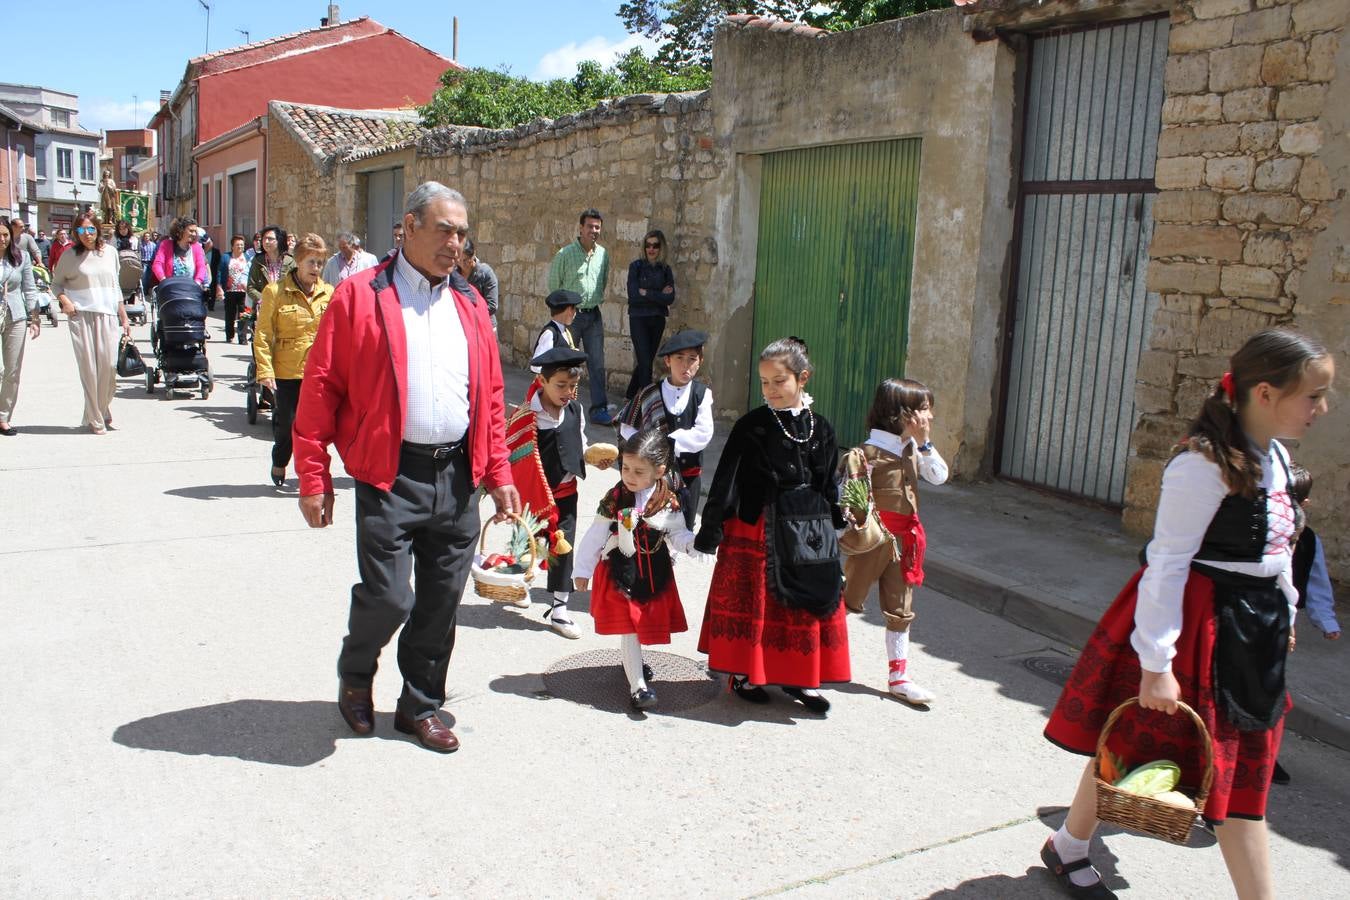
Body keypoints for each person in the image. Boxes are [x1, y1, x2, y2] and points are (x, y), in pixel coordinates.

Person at [1039, 329, 1334, 899]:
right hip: (1202, 627)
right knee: (1231, 784)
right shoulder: (1202, 465)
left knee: (1139, 744)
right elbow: (1167, 565)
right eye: (1313, 396)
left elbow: (1279, 556)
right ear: (1266, 393)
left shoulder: (1274, 455)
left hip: (1254, 628)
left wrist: (1288, 614)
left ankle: (1069, 844)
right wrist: (1156, 662)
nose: (1321, 409)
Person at [293, 181, 519, 754]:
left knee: (441, 602)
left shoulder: (469, 303)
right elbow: (320, 386)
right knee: (391, 597)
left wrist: (499, 473)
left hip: (457, 475)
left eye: (462, 232)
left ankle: (419, 706)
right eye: (444, 229)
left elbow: (490, 395)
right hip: (389, 473)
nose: (455, 242)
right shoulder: (360, 296)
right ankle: (356, 670)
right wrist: (313, 476)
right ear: (408, 228)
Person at [694, 336, 849, 714]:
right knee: (759, 604)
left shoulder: (822, 428)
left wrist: (836, 522)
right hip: (758, 526)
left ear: (802, 378)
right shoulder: (753, 426)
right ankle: (746, 673)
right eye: (765, 382)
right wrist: (711, 531)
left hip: (808, 531)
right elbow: (726, 479)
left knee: (804, 602)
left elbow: (828, 481)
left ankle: (802, 677)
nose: (771, 390)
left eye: (779, 381)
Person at [838, 378, 949, 706]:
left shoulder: (914, 449)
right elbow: (849, 501)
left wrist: (926, 444)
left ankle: (899, 676)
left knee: (901, 610)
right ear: (902, 415)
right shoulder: (866, 453)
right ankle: (810, 653)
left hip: (905, 542)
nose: (930, 417)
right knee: (847, 600)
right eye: (925, 410)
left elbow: (939, 476)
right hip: (872, 541)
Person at [574, 428, 701, 710]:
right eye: (626, 468)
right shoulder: (616, 496)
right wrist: (582, 570)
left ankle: (632, 664)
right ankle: (638, 687)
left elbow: (676, 535)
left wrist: (694, 545)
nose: (629, 476)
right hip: (620, 571)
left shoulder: (668, 499)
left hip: (654, 572)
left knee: (640, 626)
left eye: (638, 471)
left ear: (659, 470)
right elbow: (596, 533)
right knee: (630, 627)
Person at [515, 346, 611, 639]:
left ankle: (559, 609)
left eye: (572, 386)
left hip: (566, 493)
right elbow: (517, 455)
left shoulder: (576, 410)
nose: (567, 392)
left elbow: (578, 444)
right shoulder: (528, 413)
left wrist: (592, 457)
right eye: (560, 385)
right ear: (542, 382)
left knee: (563, 548)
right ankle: (522, 582)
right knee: (529, 542)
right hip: (536, 495)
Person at [1270, 462, 1340, 787]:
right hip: (1258, 620)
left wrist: (1325, 620)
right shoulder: (1266, 530)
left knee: (1271, 692)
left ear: (1304, 504)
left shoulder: (1308, 540)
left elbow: (1315, 583)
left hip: (1280, 628)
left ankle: (1266, 757)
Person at [254, 233, 333, 487]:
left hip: (319, 372)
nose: (316, 268)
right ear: (298, 261)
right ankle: (280, 460)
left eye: (320, 263)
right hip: (287, 372)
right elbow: (263, 334)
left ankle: (309, 475)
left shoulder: (329, 293)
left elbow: (337, 333)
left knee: (316, 429)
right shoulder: (275, 292)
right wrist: (265, 371)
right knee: (287, 425)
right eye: (311, 262)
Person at [617, 329, 714, 530]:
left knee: (683, 527)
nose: (685, 365)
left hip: (688, 478)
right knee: (653, 525)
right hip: (655, 478)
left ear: (700, 361)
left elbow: (704, 433)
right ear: (668, 361)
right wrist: (647, 447)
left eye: (692, 359)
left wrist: (670, 441)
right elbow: (626, 426)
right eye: (679, 358)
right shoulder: (650, 393)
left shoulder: (702, 395)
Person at [51, 213, 131, 434]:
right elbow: (56, 284)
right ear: (76, 233)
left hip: (107, 315)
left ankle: (101, 407)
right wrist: (65, 301)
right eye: (81, 231)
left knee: (109, 367)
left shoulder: (111, 253)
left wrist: (123, 316)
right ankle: (96, 418)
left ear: (98, 230)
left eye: (91, 230)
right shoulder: (69, 256)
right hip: (82, 315)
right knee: (89, 370)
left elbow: (115, 287)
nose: (87, 235)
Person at [547, 208, 612, 424]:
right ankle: (558, 404)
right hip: (570, 317)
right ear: (581, 228)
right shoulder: (564, 255)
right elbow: (554, 289)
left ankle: (599, 410)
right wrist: (561, 317)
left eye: (597, 227)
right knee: (564, 363)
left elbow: (602, 282)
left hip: (593, 315)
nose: (594, 231)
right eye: (590, 226)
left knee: (597, 364)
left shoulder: (603, 255)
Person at [0, 218, 42, 436]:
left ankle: (3, 416)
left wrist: (34, 316)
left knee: (12, 370)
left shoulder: (21, 257)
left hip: (14, 315)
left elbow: (30, 288)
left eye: (6, 235)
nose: (2, 239)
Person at [625, 229, 675, 399]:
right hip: (638, 319)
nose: (651, 249)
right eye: (648, 245)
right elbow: (633, 296)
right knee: (646, 362)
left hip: (657, 320)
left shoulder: (665, 270)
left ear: (661, 248)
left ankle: (630, 394)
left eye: (655, 245)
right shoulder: (636, 267)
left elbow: (670, 298)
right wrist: (658, 294)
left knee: (645, 360)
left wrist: (646, 293)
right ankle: (647, 403)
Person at [530, 289, 580, 374]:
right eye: (574, 309)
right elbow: (535, 365)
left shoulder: (565, 331)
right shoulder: (550, 333)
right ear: (568, 310)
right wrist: (556, 374)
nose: (575, 313)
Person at [151, 217, 208, 289]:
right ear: (180, 231)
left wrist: (197, 282)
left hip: (191, 290)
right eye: (191, 231)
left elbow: (201, 267)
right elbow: (157, 264)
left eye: (195, 231)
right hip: (171, 290)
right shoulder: (166, 245)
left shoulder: (197, 247)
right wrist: (163, 280)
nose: (194, 234)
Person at [457, 238, 499, 331]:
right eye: (460, 260)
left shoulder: (486, 273)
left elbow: (492, 306)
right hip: (462, 327)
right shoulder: (454, 274)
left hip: (485, 326)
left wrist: (469, 314)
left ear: (474, 254)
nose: (463, 264)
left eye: (466, 260)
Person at [246, 226, 291, 312]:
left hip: (286, 309)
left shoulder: (290, 261)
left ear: (279, 241)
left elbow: (296, 286)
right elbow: (251, 288)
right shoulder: (257, 261)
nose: (266, 242)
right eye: (264, 239)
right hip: (264, 309)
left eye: (270, 239)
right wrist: (265, 300)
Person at [219, 235, 250, 343]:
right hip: (229, 290)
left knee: (243, 315)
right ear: (232, 246)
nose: (240, 246)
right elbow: (220, 272)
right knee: (230, 314)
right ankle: (229, 335)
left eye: (242, 244)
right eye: (237, 245)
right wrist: (219, 286)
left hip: (243, 291)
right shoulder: (226, 257)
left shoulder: (247, 258)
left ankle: (242, 337)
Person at [201, 234, 222, 312]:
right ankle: (204, 302)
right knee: (204, 289)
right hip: (203, 273)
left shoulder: (216, 251)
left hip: (213, 272)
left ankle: (211, 306)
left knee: (213, 290)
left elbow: (218, 263)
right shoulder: (201, 250)